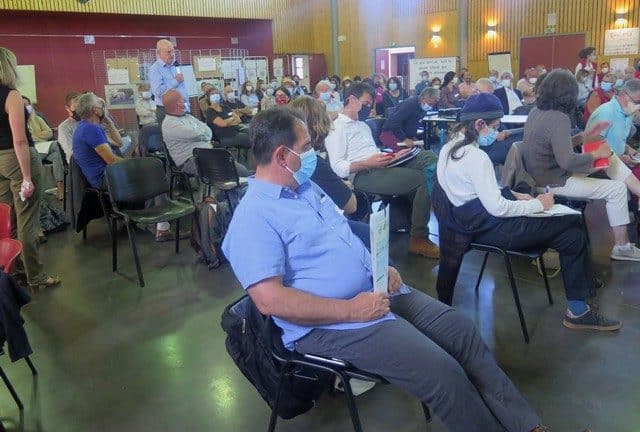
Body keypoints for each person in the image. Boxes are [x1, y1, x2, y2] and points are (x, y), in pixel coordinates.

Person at [222, 105, 563, 432]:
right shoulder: (254, 218)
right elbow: (270, 301)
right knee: (441, 373)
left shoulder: (304, 188)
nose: (314, 153)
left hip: (375, 292)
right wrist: (352, 311)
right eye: (307, 147)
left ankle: (525, 425)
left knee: (461, 332)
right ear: (283, 156)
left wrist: (379, 266)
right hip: (329, 325)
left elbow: (343, 236)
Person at [434, 92, 620, 333]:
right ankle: (578, 308)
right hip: (489, 228)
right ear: (479, 124)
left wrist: (512, 193)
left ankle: (579, 303)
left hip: (466, 226)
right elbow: (497, 208)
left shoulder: (449, 149)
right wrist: (538, 205)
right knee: (572, 225)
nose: (497, 131)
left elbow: (472, 190)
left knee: (570, 232)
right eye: (494, 126)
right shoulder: (476, 157)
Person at [521, 69, 640, 261]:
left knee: (610, 158)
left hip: (542, 174)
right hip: (555, 180)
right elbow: (567, 160)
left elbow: (553, 147)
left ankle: (636, 193)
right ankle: (622, 247)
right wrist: (596, 154)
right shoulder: (560, 118)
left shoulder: (537, 111)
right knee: (617, 188)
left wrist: (581, 138)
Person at [325, 83, 439, 258]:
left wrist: (394, 157)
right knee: (421, 179)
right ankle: (418, 238)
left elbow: (373, 153)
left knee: (429, 159)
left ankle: (420, 214)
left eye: (371, 104)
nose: (369, 108)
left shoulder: (362, 126)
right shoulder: (337, 128)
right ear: (352, 100)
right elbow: (338, 167)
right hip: (363, 174)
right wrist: (368, 163)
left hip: (381, 164)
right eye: (367, 103)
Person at [0, 47, 61, 290]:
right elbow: (20, 140)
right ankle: (35, 276)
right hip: (17, 159)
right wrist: (26, 176)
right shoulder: (11, 95)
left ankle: (10, 271)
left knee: (7, 218)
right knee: (27, 219)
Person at [290, 96, 366, 218]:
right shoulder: (313, 163)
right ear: (321, 124)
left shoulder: (285, 156)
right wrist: (345, 188)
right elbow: (351, 206)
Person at [162, 89, 248, 182]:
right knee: (236, 172)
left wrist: (201, 133)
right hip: (190, 160)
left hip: (207, 153)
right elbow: (196, 134)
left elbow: (208, 130)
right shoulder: (170, 124)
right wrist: (201, 132)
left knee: (240, 171)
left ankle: (226, 194)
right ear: (178, 105)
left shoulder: (188, 117)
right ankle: (223, 195)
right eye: (183, 100)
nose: (186, 102)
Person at [586, 79, 640, 181]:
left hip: (619, 161)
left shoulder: (627, 113)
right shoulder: (606, 112)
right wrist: (619, 159)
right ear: (625, 95)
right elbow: (591, 150)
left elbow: (617, 141)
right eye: (637, 102)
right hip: (602, 168)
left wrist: (633, 153)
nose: (638, 107)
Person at [21, 96, 65, 200]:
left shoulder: (37, 119)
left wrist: (33, 135)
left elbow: (49, 133)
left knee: (56, 155)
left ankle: (60, 185)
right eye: (23, 105)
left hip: (45, 147)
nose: (26, 107)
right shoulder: (17, 121)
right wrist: (38, 135)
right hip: (31, 150)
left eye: (28, 104)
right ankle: (60, 185)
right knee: (56, 145)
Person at [380, 87, 440, 152]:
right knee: (406, 155)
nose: (430, 107)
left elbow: (413, 125)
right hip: (390, 134)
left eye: (433, 105)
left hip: (404, 135)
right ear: (423, 98)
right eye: (430, 104)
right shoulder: (409, 104)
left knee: (419, 153)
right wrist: (404, 139)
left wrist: (413, 138)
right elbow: (394, 123)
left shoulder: (422, 106)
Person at [204, 87, 251, 165]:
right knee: (250, 139)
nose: (215, 95)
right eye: (212, 94)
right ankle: (247, 163)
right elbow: (222, 124)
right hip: (224, 136)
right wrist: (231, 119)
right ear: (208, 97)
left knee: (252, 132)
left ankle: (244, 158)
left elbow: (238, 119)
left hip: (235, 129)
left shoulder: (224, 107)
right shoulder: (210, 111)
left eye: (217, 93)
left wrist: (228, 121)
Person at [149, 39, 188, 124]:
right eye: (169, 52)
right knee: (175, 137)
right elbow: (158, 91)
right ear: (159, 53)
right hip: (168, 111)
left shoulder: (173, 66)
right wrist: (175, 81)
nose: (172, 55)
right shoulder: (155, 69)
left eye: (173, 51)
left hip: (182, 107)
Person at [57, 91, 81, 162]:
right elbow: (70, 152)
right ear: (67, 108)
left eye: (81, 106)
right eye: (75, 107)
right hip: (77, 164)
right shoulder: (64, 127)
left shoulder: (89, 122)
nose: (79, 110)